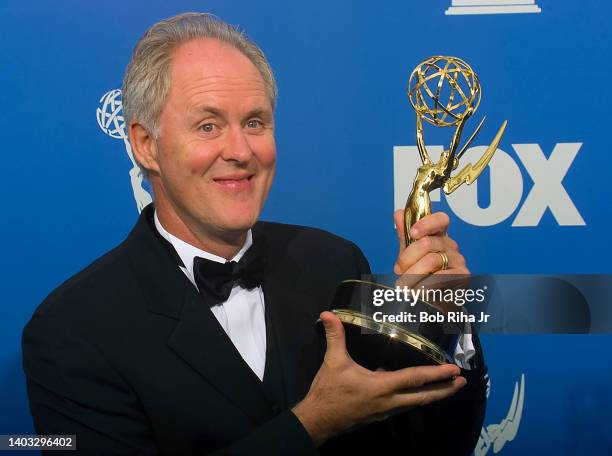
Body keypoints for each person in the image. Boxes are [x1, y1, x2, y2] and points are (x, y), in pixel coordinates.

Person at [23, 12, 487, 455]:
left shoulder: (334, 262)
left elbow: (430, 446)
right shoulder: (71, 331)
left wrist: (445, 323)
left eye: (254, 123)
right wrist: (313, 424)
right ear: (146, 146)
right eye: (208, 126)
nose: (240, 150)